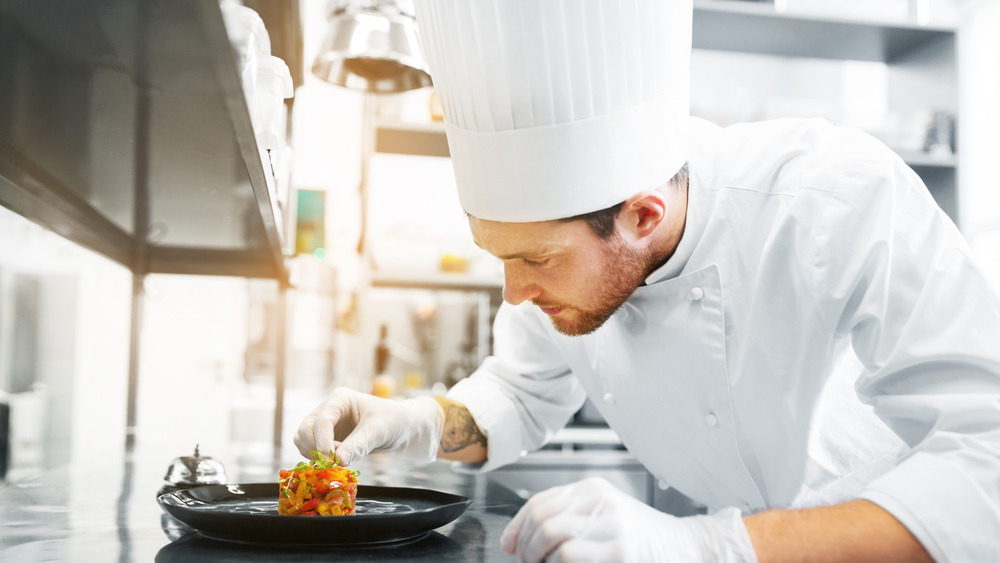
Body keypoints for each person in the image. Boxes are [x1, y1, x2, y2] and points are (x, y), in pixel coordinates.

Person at [295, 1, 1000, 560]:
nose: (514, 292)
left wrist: (710, 547)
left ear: (642, 214)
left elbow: (987, 473)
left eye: (535, 260)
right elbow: (518, 392)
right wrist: (416, 423)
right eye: (498, 255)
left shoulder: (833, 197)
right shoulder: (565, 262)